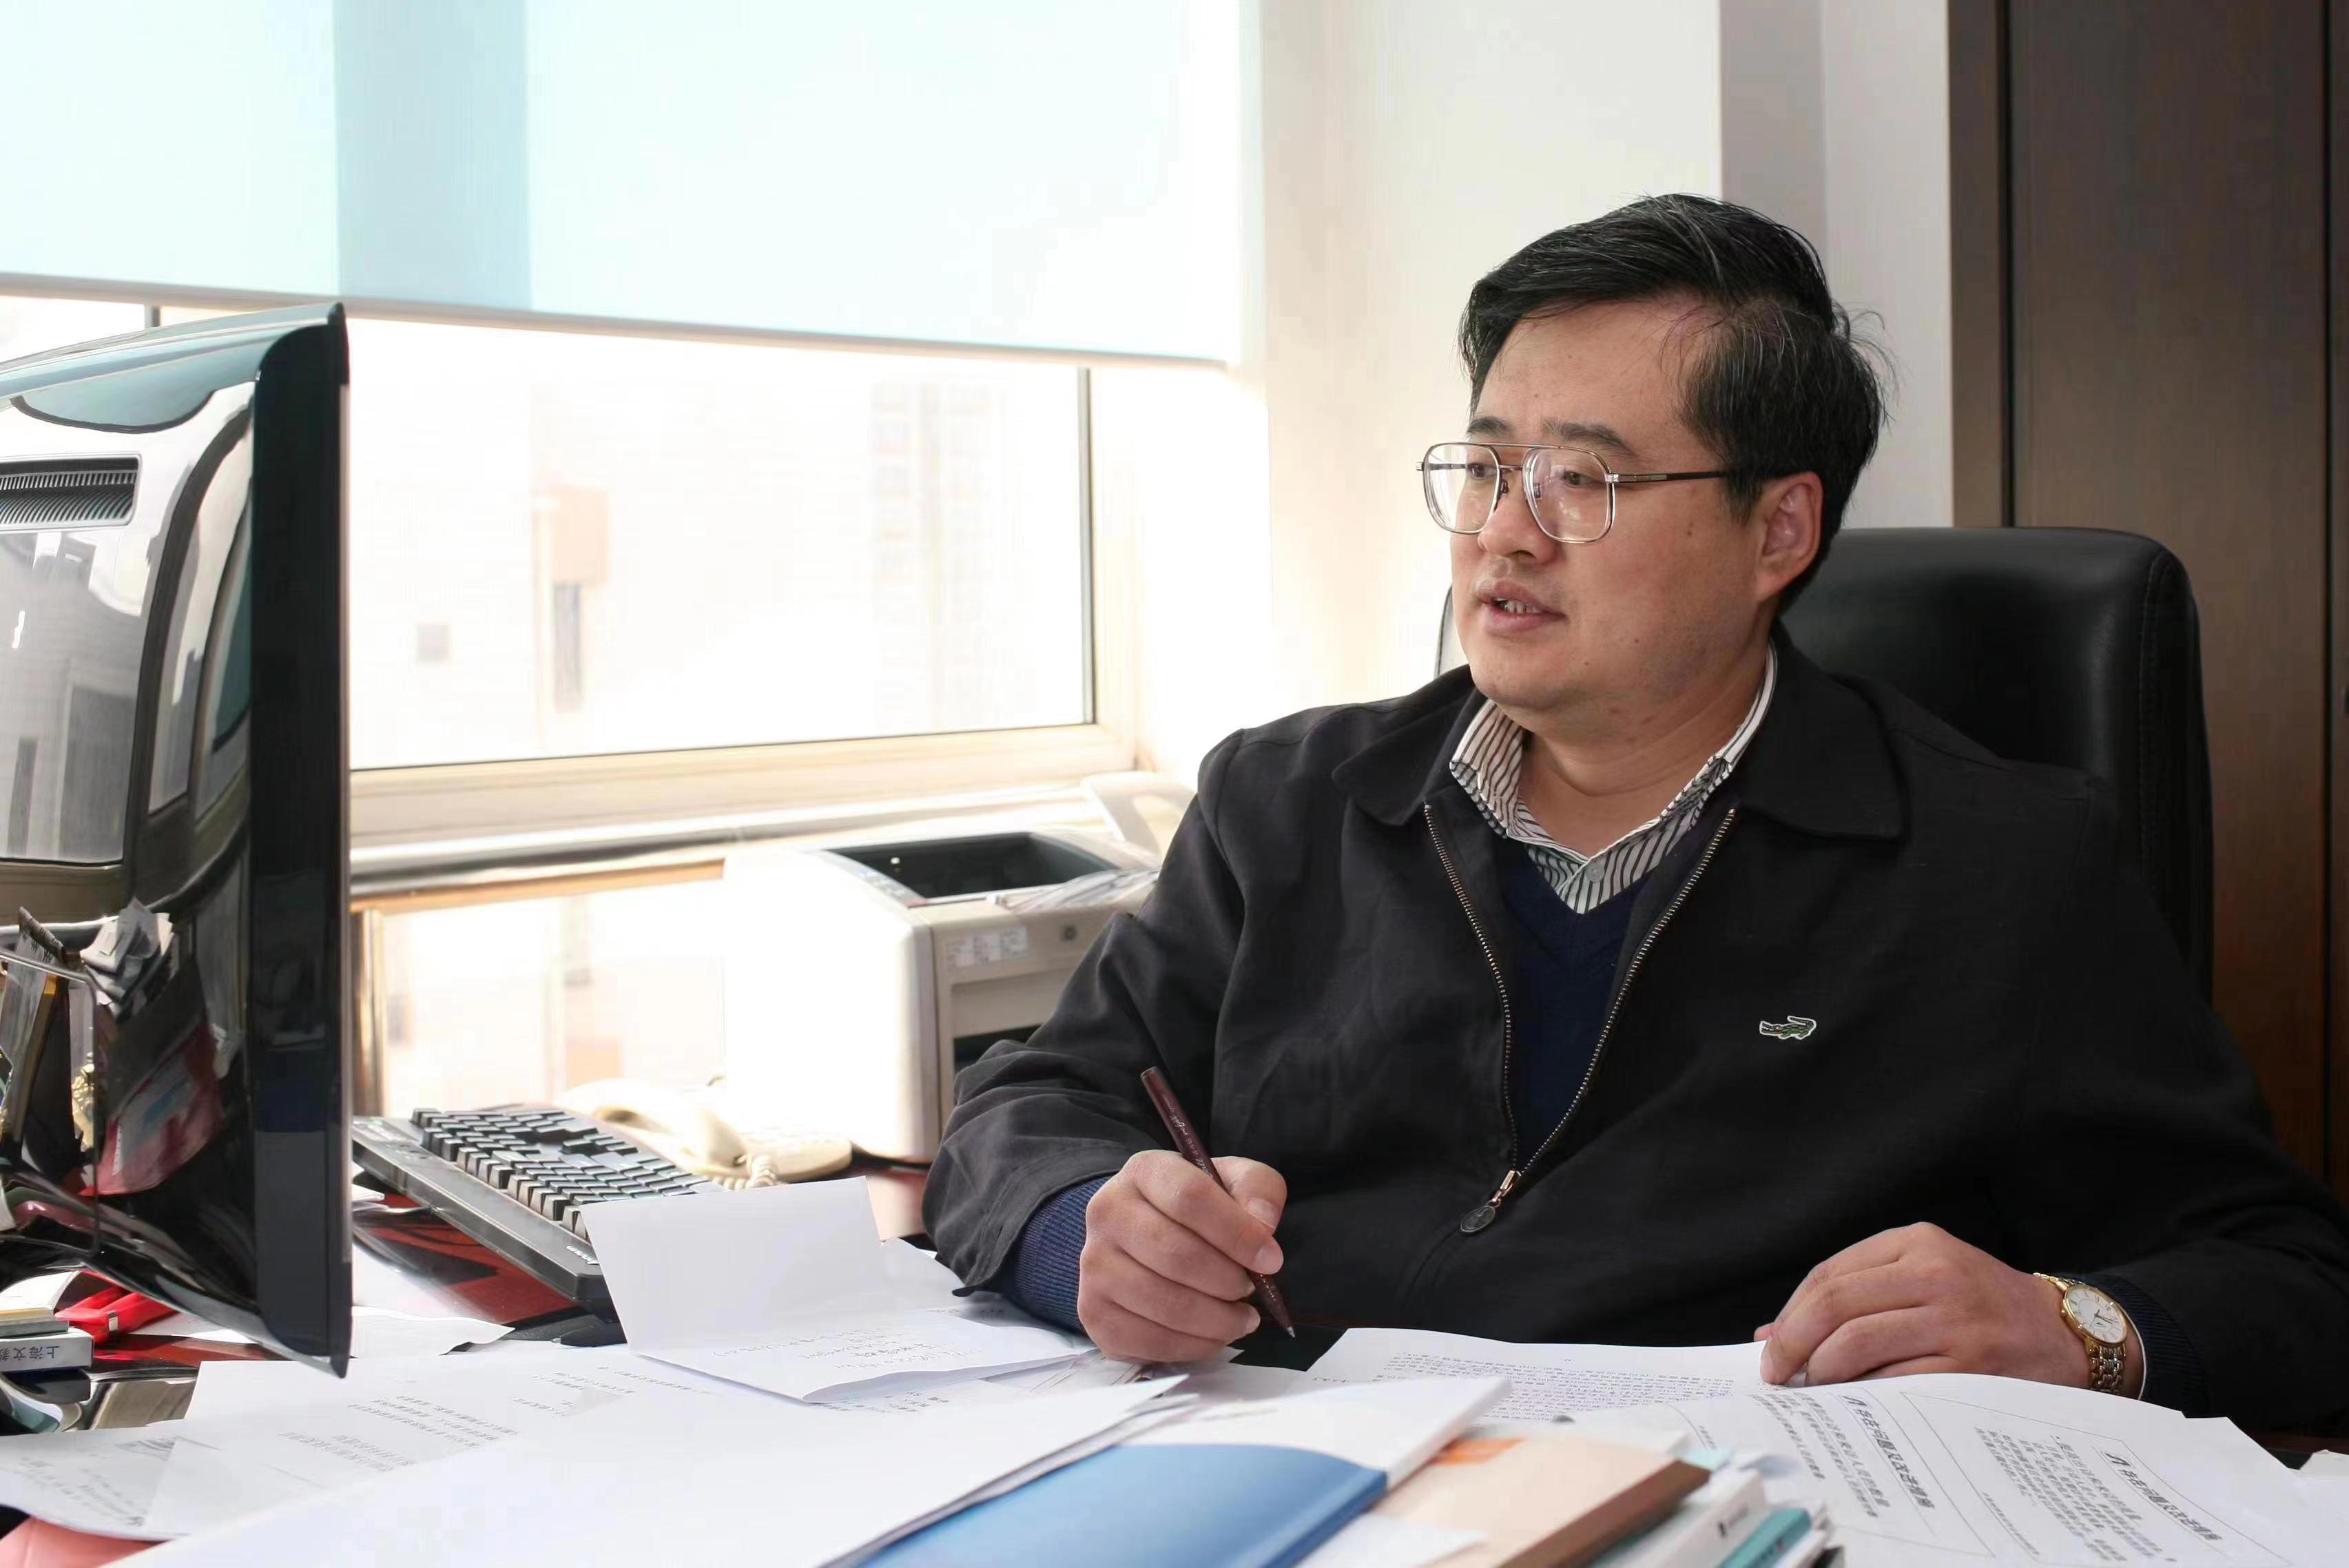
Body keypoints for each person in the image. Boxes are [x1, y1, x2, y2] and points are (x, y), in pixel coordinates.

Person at [922, 194, 2349, 1429]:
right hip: (1294, 1476)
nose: (1504, 530)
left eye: (1582, 480)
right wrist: (1080, 1231)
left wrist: (2077, 1330)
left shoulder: (2001, 867)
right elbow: (1028, 1107)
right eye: (1487, 467)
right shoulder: (1282, 801)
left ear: (1776, 531)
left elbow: (2288, 1274)